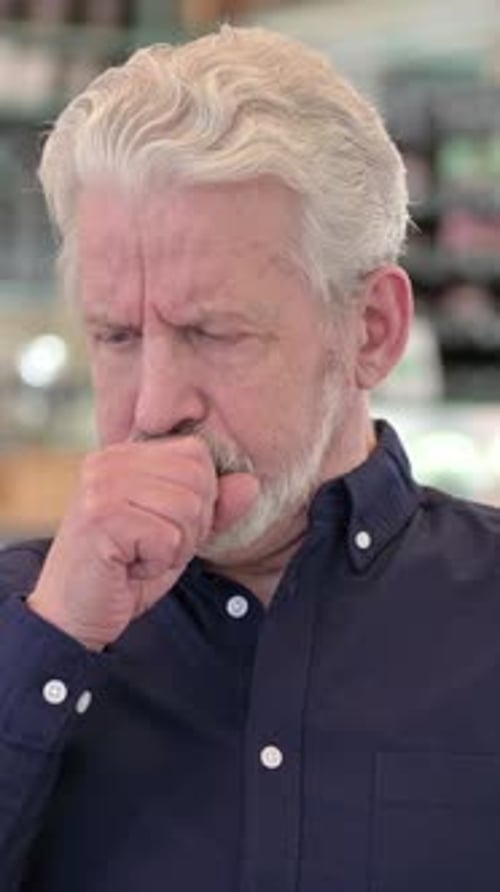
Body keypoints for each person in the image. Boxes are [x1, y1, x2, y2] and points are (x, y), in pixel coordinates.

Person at [1, 25, 499, 892]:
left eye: (213, 332)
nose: (155, 407)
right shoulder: (23, 620)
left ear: (370, 330)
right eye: (117, 335)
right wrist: (53, 643)